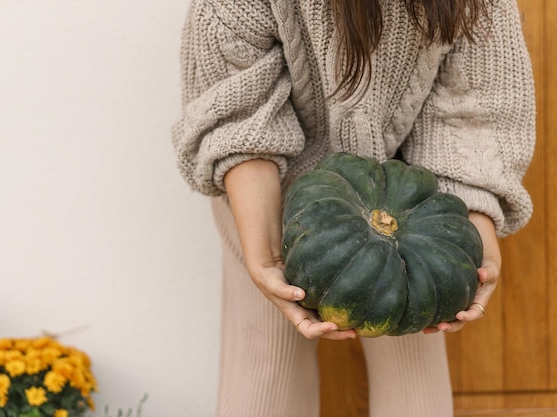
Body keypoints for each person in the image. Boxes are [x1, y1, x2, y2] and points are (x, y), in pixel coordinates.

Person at [172, 0, 535, 416]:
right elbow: (238, 112)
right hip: (267, 189)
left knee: (413, 374)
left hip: (409, 202)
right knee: (266, 369)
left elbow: (474, 111)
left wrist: (466, 237)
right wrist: (264, 252)